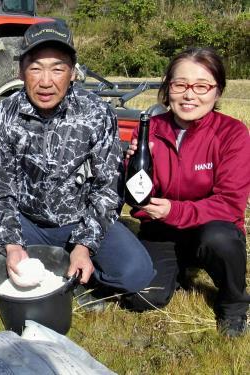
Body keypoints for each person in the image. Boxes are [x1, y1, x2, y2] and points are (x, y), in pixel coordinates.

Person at [0, 20, 155, 307]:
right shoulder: (4, 113)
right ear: (21, 71)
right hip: (26, 221)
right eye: (35, 68)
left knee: (136, 274)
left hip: (77, 223)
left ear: (72, 72)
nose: (46, 81)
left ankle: (71, 265)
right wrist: (12, 244)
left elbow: (108, 190)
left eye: (57, 68)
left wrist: (84, 246)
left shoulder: (97, 114)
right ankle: (32, 257)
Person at [123, 47, 250, 337]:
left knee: (220, 238)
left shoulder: (232, 133)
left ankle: (234, 301)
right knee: (143, 298)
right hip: (163, 230)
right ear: (168, 88)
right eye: (180, 85)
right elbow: (138, 200)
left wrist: (175, 211)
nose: (189, 95)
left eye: (202, 86)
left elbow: (230, 205)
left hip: (212, 228)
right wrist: (134, 170)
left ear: (217, 92)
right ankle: (175, 272)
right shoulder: (150, 129)